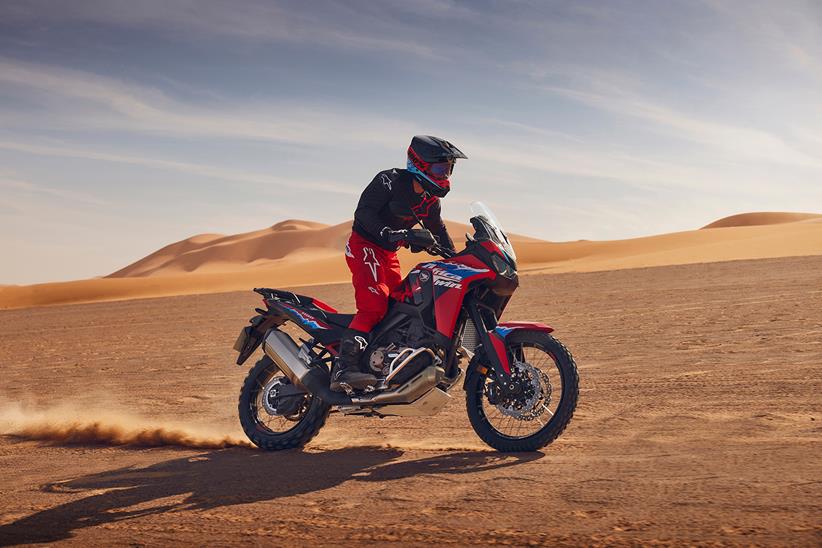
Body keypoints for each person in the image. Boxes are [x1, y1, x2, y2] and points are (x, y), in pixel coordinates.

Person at [330, 135, 467, 392]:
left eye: (448, 169)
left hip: (389, 254)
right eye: (440, 168)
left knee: (401, 305)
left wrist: (458, 259)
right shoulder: (389, 181)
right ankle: (344, 369)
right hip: (365, 247)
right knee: (374, 305)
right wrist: (393, 235)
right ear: (420, 164)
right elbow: (363, 213)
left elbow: (439, 232)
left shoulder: (429, 202)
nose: (445, 174)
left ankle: (384, 362)